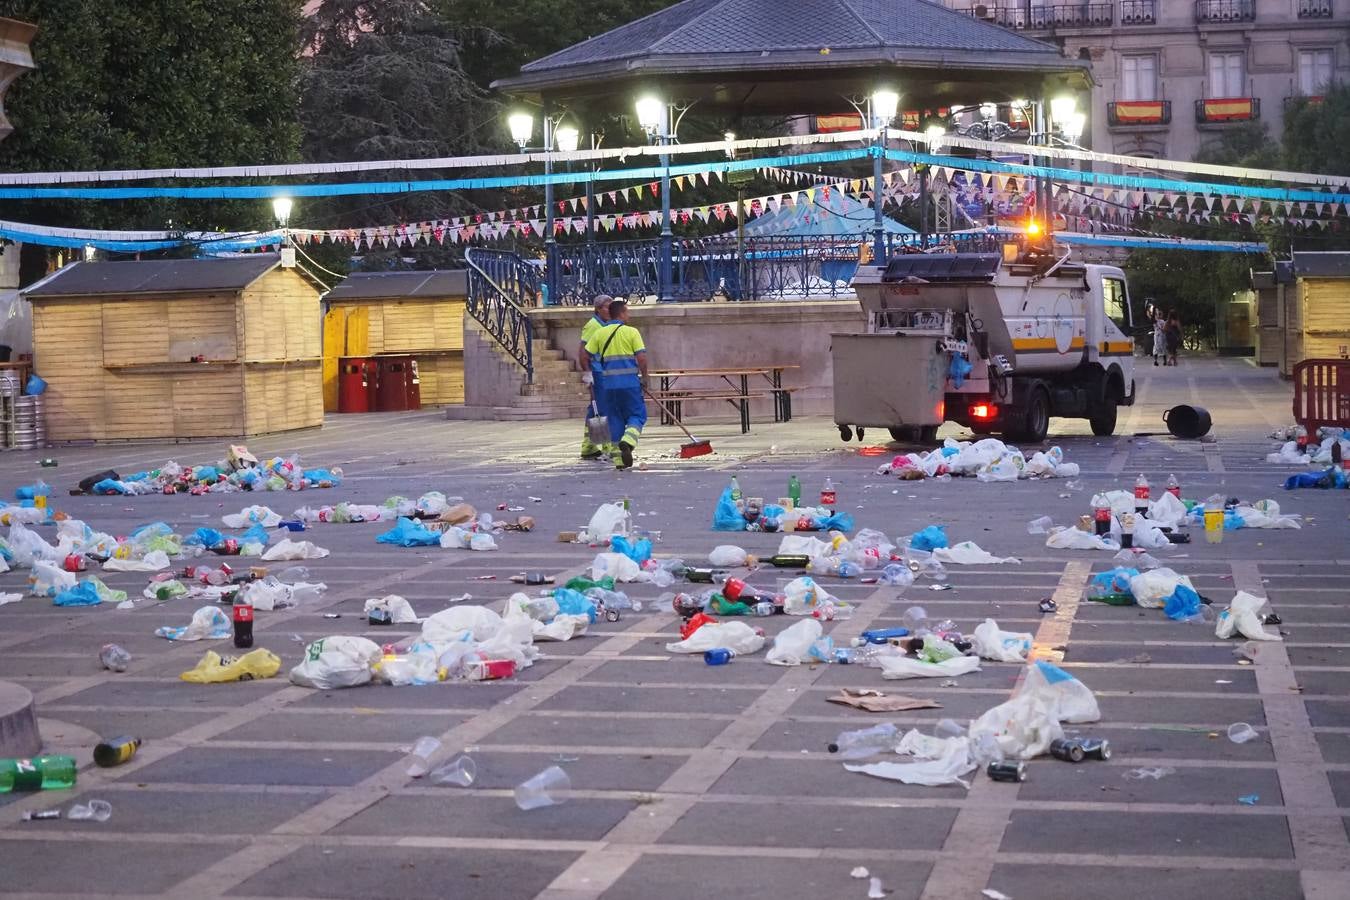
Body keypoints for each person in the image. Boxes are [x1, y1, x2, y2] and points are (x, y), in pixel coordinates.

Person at [581, 299, 648, 470]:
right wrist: (645, 377)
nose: (629, 315)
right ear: (622, 313)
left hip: (608, 385)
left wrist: (587, 372)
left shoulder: (600, 333)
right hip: (630, 384)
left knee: (615, 420)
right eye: (628, 312)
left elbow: (584, 354)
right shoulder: (632, 332)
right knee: (637, 415)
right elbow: (641, 357)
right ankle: (629, 440)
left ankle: (619, 460)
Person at [578, 295, 612, 460]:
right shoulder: (593, 325)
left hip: (603, 371)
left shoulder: (605, 324)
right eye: (607, 307)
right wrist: (587, 372)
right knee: (603, 407)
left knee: (595, 408)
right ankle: (607, 443)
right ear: (598, 309)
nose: (610, 310)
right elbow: (583, 351)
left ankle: (589, 444)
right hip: (597, 371)